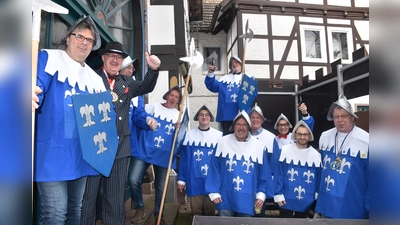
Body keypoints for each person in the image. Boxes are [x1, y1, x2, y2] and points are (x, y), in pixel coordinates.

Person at [32, 15, 105, 225]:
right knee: (55, 213)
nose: (84, 42)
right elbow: (37, 86)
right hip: (51, 152)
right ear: (67, 38)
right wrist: (31, 91)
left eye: (89, 40)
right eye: (79, 36)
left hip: (81, 155)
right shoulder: (48, 59)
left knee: (76, 210)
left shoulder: (95, 79)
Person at [80, 41, 161, 225]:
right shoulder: (90, 77)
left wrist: (154, 70)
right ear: (103, 58)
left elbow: (145, 87)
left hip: (120, 148)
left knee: (115, 199)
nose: (115, 60)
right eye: (111, 56)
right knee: (89, 197)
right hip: (95, 146)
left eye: (119, 57)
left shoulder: (127, 83)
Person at [130, 85, 182, 225]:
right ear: (167, 95)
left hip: (163, 156)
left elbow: (180, 139)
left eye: (176, 97)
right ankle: (140, 208)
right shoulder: (152, 107)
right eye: (171, 95)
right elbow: (138, 116)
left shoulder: (178, 115)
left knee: (161, 187)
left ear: (178, 100)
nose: (173, 98)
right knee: (134, 179)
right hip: (145, 150)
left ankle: (160, 215)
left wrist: (179, 129)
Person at [205, 110, 273, 217]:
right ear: (234, 126)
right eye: (238, 124)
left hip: (248, 197)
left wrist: (261, 194)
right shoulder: (222, 142)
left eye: (244, 125)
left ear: (249, 127)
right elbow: (214, 168)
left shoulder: (259, 147)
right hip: (225, 196)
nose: (241, 128)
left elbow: (264, 173)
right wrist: (214, 191)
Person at [314, 95, 369, 219]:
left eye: (344, 116)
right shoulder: (325, 137)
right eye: (336, 116)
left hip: (353, 204)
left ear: (352, 118)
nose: (340, 120)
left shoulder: (366, 140)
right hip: (326, 203)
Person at [177, 105, 222, 220]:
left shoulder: (219, 136)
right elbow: (184, 159)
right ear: (197, 117)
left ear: (210, 118)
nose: (204, 117)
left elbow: (221, 162)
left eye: (207, 115)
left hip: (211, 181)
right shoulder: (188, 135)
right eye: (201, 114)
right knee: (196, 215)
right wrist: (181, 179)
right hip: (194, 180)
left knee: (210, 214)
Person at [273, 120, 322, 218]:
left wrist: (316, 194)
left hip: (306, 201)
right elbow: (279, 174)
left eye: (305, 134)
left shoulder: (316, 155)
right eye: (299, 134)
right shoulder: (285, 151)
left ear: (309, 136)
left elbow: (319, 178)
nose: (302, 137)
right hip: (285, 200)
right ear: (295, 134)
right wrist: (278, 193)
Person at [205, 56, 258, 135]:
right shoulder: (224, 79)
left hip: (243, 115)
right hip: (227, 116)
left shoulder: (248, 78)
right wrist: (211, 73)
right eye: (232, 63)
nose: (234, 64)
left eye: (236, 62)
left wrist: (245, 85)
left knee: (243, 139)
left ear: (241, 64)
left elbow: (253, 94)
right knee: (227, 140)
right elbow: (212, 86)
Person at [248, 103, 277, 217]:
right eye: (252, 117)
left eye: (257, 117)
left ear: (262, 120)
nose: (255, 120)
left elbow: (274, 163)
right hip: (246, 180)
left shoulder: (270, 137)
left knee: (259, 214)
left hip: (262, 183)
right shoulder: (243, 135)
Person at [270, 103, 315, 173]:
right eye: (280, 125)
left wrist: (304, 113)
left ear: (289, 126)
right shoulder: (273, 140)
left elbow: (307, 127)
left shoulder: (296, 136)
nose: (283, 127)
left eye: (285, 125)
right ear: (277, 127)